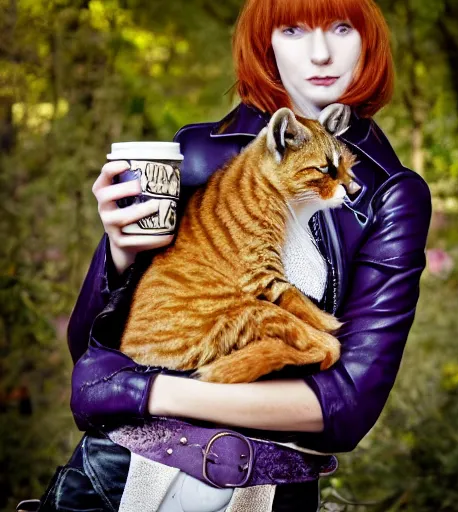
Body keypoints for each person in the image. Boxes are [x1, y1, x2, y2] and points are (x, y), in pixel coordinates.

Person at [27, 0, 432, 510]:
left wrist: (146, 392)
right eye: (292, 30)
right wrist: (119, 251)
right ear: (266, 43)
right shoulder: (195, 153)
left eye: (341, 27)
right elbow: (90, 351)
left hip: (264, 491)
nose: (321, 53)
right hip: (115, 478)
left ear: (368, 38)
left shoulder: (389, 195)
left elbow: (345, 408)